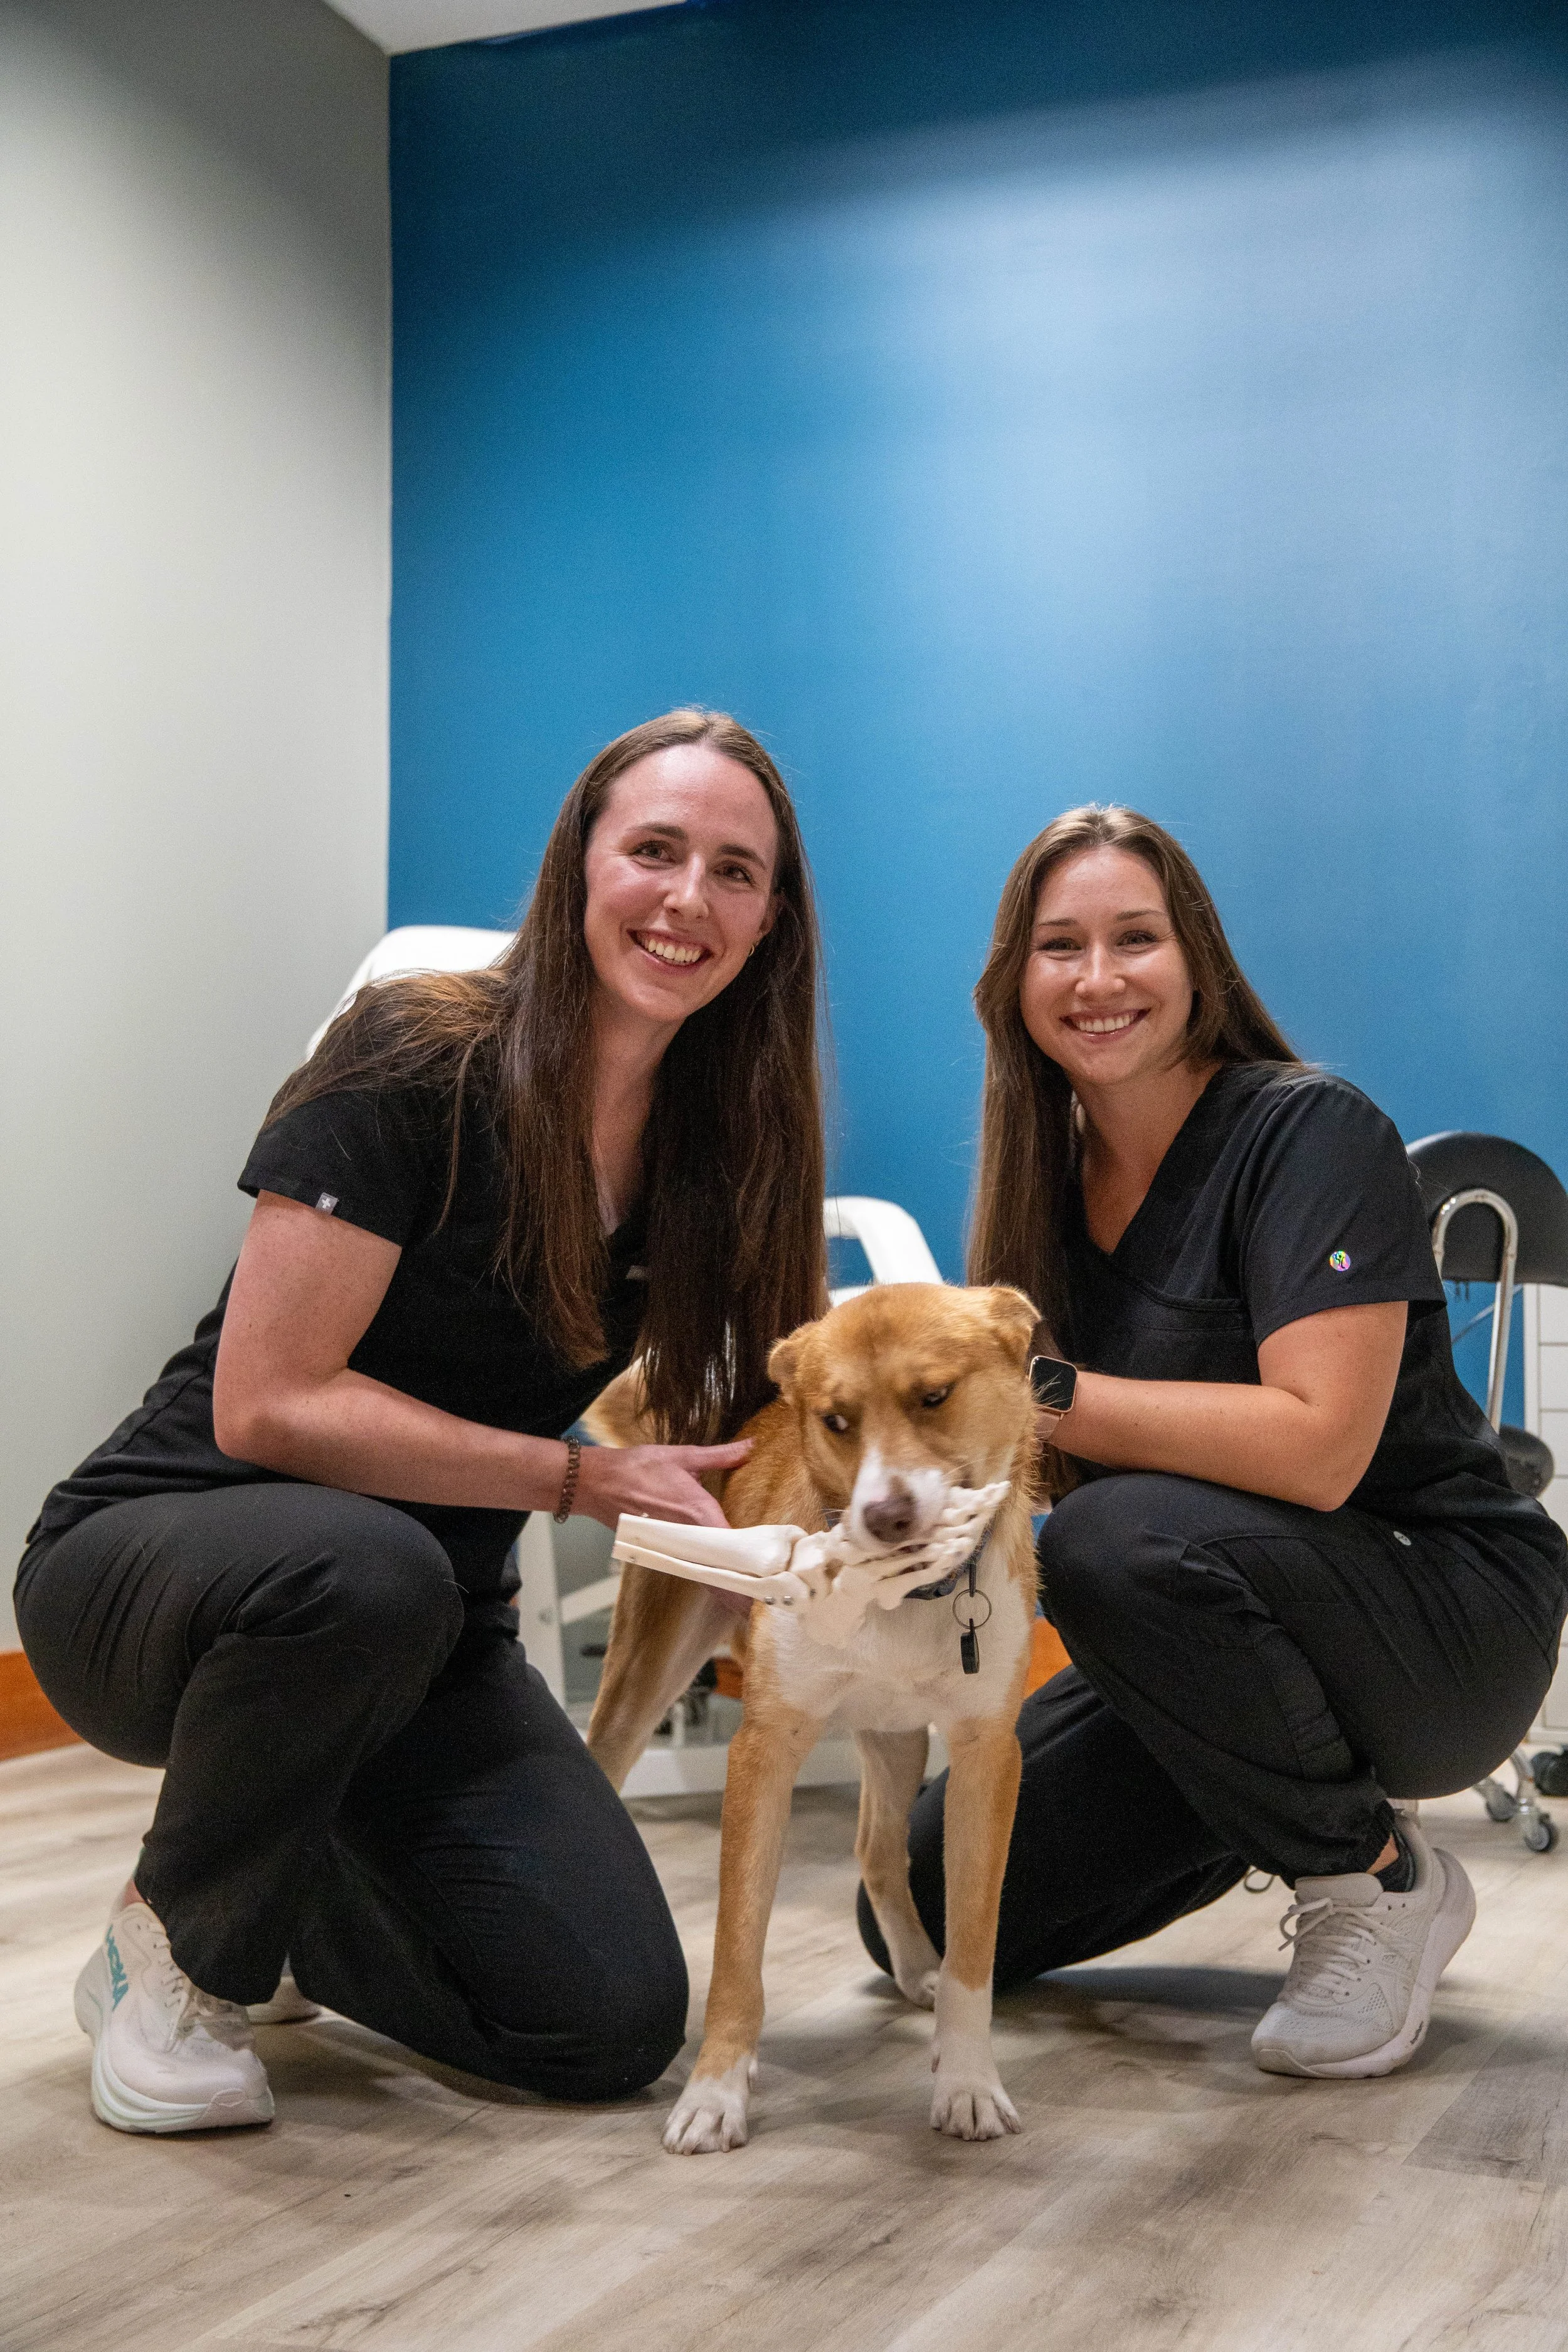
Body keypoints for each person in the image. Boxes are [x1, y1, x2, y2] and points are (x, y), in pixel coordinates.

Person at [16, 707, 827, 2135]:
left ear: (770, 921)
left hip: (422, 1627)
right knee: (370, 1568)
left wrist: (913, 1514)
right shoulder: (413, 1055)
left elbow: (793, 1397)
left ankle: (256, 1882)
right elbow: (266, 1405)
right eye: (652, 850)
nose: (686, 898)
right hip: (162, 1570)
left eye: (734, 871)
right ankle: (175, 1972)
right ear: (578, 866)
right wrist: (572, 1479)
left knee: (606, 2024)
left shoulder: (725, 1151)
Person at [861, 803, 1568, 2079]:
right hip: (1213, 1625)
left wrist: (1029, 1389)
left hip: (1443, 1612)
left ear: (1195, 960)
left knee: (1110, 1535)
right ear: (1011, 983)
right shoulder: (1039, 1198)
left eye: (1132, 938)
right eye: (1057, 946)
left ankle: (1374, 1881)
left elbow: (1317, 1453)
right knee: (905, 1909)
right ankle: (1258, 1784)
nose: (1095, 978)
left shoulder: (1309, 1133)